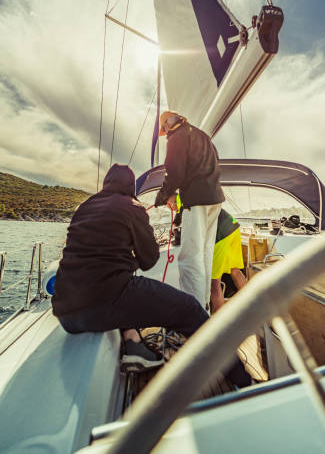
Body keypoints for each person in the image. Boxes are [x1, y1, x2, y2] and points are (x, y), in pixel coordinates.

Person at [52, 164, 250, 386]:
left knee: (125, 299)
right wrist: (128, 260)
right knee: (189, 308)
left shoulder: (84, 207)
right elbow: (149, 260)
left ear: (106, 183)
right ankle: (243, 381)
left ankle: (134, 345)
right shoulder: (132, 206)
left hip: (66, 313)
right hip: (106, 299)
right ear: (130, 187)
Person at [155, 111, 224, 310]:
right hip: (215, 200)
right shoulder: (202, 135)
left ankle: (193, 316)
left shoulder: (177, 138)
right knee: (204, 254)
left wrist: (164, 195)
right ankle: (203, 309)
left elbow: (175, 172)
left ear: (168, 125)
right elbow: (214, 162)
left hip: (197, 202)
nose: (165, 132)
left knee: (190, 258)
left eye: (164, 128)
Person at [210, 209, 247, 312]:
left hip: (221, 235)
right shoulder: (202, 195)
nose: (169, 207)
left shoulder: (184, 199)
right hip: (233, 227)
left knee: (214, 282)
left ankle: (218, 321)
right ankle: (252, 307)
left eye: (168, 204)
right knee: (235, 271)